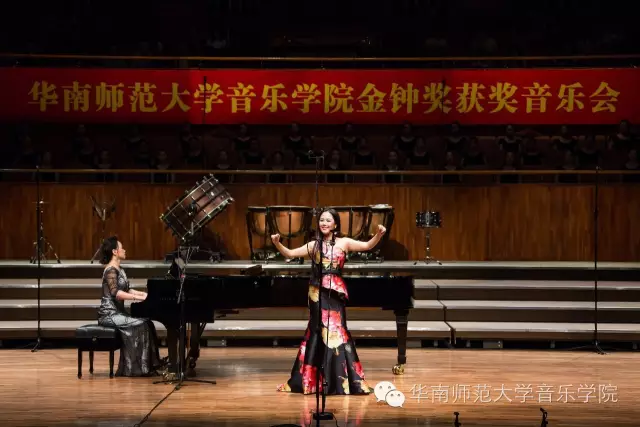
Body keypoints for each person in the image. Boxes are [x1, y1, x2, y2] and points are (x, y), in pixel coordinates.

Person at [272, 208, 386, 395]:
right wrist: (277, 243)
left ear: (335, 224)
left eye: (328, 220)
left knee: (338, 331)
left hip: (336, 291)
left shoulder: (344, 242)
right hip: (317, 292)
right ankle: (312, 381)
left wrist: (379, 235)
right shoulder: (314, 245)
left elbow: (367, 246)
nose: (324, 223)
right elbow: (290, 253)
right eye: (321, 220)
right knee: (318, 330)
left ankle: (341, 380)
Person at [97, 236, 163, 377]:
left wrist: (145, 295)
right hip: (109, 314)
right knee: (142, 324)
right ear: (115, 251)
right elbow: (116, 293)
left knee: (148, 323)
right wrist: (138, 298)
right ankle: (137, 368)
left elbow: (127, 290)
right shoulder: (110, 270)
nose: (124, 250)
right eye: (122, 248)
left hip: (118, 313)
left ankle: (151, 365)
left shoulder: (120, 269)